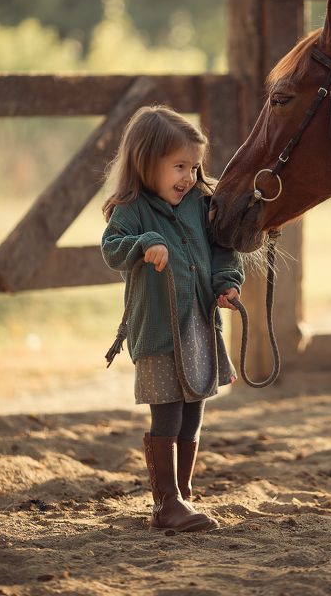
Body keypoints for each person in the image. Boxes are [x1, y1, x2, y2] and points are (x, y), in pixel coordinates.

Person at [101, 105, 244, 533]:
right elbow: (112, 248)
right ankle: (166, 503)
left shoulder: (200, 202)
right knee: (167, 412)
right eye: (179, 166)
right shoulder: (131, 209)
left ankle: (182, 493)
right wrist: (144, 243)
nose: (189, 176)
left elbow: (222, 249)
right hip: (160, 330)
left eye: (194, 166)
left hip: (198, 324)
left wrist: (226, 283)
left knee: (195, 407)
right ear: (146, 162)